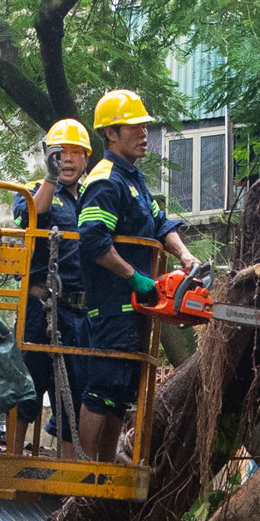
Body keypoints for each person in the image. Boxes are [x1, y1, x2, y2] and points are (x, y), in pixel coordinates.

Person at [75, 89, 200, 463]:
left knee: (122, 391)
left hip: (136, 306)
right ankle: (85, 471)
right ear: (111, 133)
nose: (144, 133)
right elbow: (92, 239)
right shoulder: (106, 180)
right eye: (135, 126)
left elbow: (161, 222)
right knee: (103, 387)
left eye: (145, 125)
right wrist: (135, 278)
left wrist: (184, 253)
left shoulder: (134, 179)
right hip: (113, 303)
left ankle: (108, 464)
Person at [11, 119, 98, 455]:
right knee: (26, 392)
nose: (68, 159)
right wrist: (48, 179)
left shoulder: (94, 196)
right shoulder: (35, 189)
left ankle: (65, 492)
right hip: (39, 310)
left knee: (74, 404)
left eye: (76, 152)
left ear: (86, 158)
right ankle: (11, 467)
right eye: (60, 152)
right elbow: (29, 217)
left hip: (79, 315)